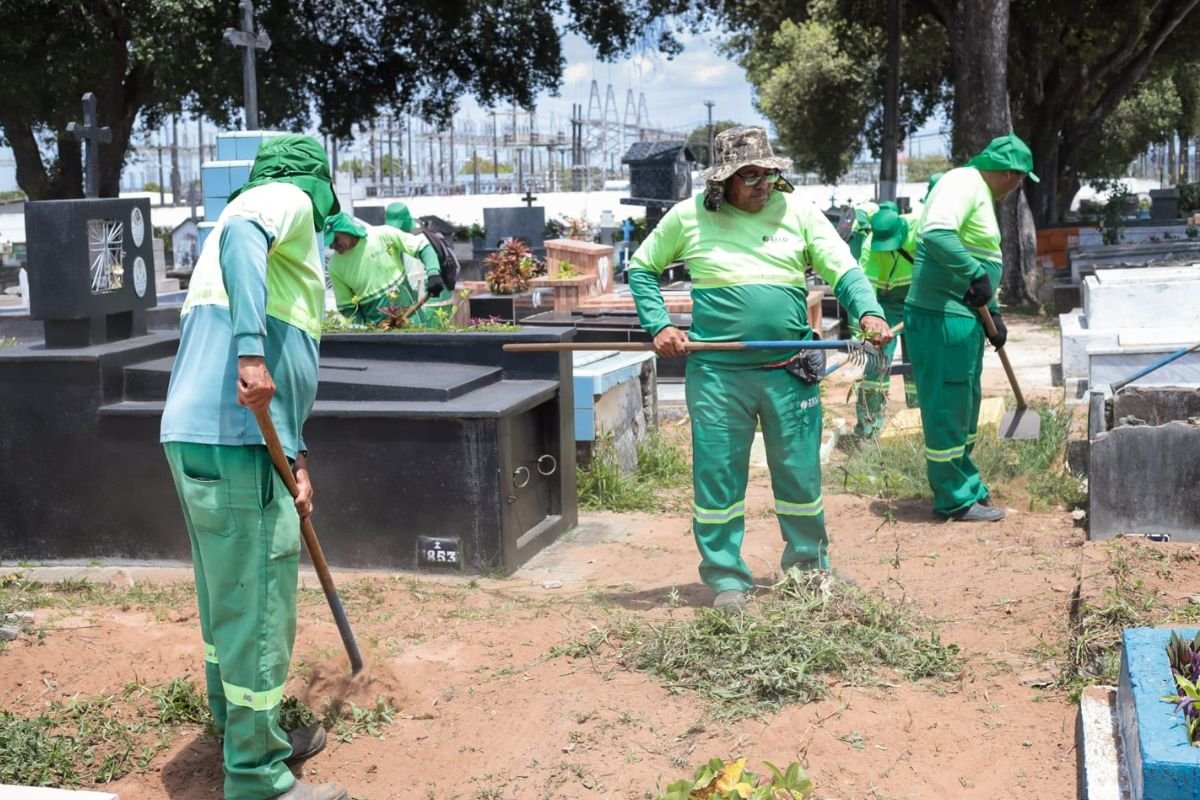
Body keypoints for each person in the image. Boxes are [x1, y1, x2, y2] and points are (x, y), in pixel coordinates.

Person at [627, 125, 892, 611]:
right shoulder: (688, 218)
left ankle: (809, 569)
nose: (761, 185)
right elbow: (641, 269)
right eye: (749, 176)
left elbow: (845, 270)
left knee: (799, 474)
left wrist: (869, 313)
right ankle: (727, 578)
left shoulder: (800, 212)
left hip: (788, 371)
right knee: (718, 477)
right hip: (717, 376)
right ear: (722, 181)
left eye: (768, 175)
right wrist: (659, 325)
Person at [159, 134, 349, 800]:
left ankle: (239, 730)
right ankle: (259, 777)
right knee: (262, 607)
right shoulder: (281, 198)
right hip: (237, 439)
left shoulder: (230, 253)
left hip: (203, 438)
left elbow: (283, 370)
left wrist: (295, 459)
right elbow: (245, 227)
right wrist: (250, 353)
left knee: (229, 598)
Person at [903, 131, 1038, 523]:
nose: (1016, 188)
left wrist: (992, 312)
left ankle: (966, 484)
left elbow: (976, 256)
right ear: (1011, 174)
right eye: (1020, 180)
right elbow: (938, 233)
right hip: (942, 316)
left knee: (964, 404)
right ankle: (954, 499)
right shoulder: (962, 182)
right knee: (948, 406)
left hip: (963, 316)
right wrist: (975, 274)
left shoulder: (976, 190)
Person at [851, 205, 919, 438]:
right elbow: (864, 293)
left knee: (920, 362)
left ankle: (919, 420)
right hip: (886, 304)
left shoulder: (919, 229)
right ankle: (869, 428)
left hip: (919, 299)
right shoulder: (870, 247)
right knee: (877, 362)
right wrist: (867, 330)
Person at [323, 210, 443, 326]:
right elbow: (347, 307)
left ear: (346, 230)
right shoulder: (335, 266)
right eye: (329, 243)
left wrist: (433, 273)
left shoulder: (382, 235)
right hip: (378, 332)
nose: (333, 246)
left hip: (412, 320)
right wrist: (362, 329)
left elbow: (423, 248)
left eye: (335, 240)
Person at [385, 201, 456, 322]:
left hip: (429, 303)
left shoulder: (415, 239)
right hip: (439, 298)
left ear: (407, 220)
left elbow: (413, 281)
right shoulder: (421, 231)